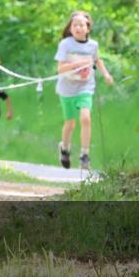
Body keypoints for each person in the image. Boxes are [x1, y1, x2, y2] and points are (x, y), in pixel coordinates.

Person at [55, 11, 113, 170]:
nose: (78, 27)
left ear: (88, 28)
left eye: (82, 25)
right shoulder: (65, 44)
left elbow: (97, 60)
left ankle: (85, 155)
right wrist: (77, 64)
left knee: (86, 118)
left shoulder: (93, 45)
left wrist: (106, 74)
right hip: (67, 88)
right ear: (70, 28)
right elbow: (60, 69)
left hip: (85, 86)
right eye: (75, 25)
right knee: (70, 123)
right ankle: (65, 148)